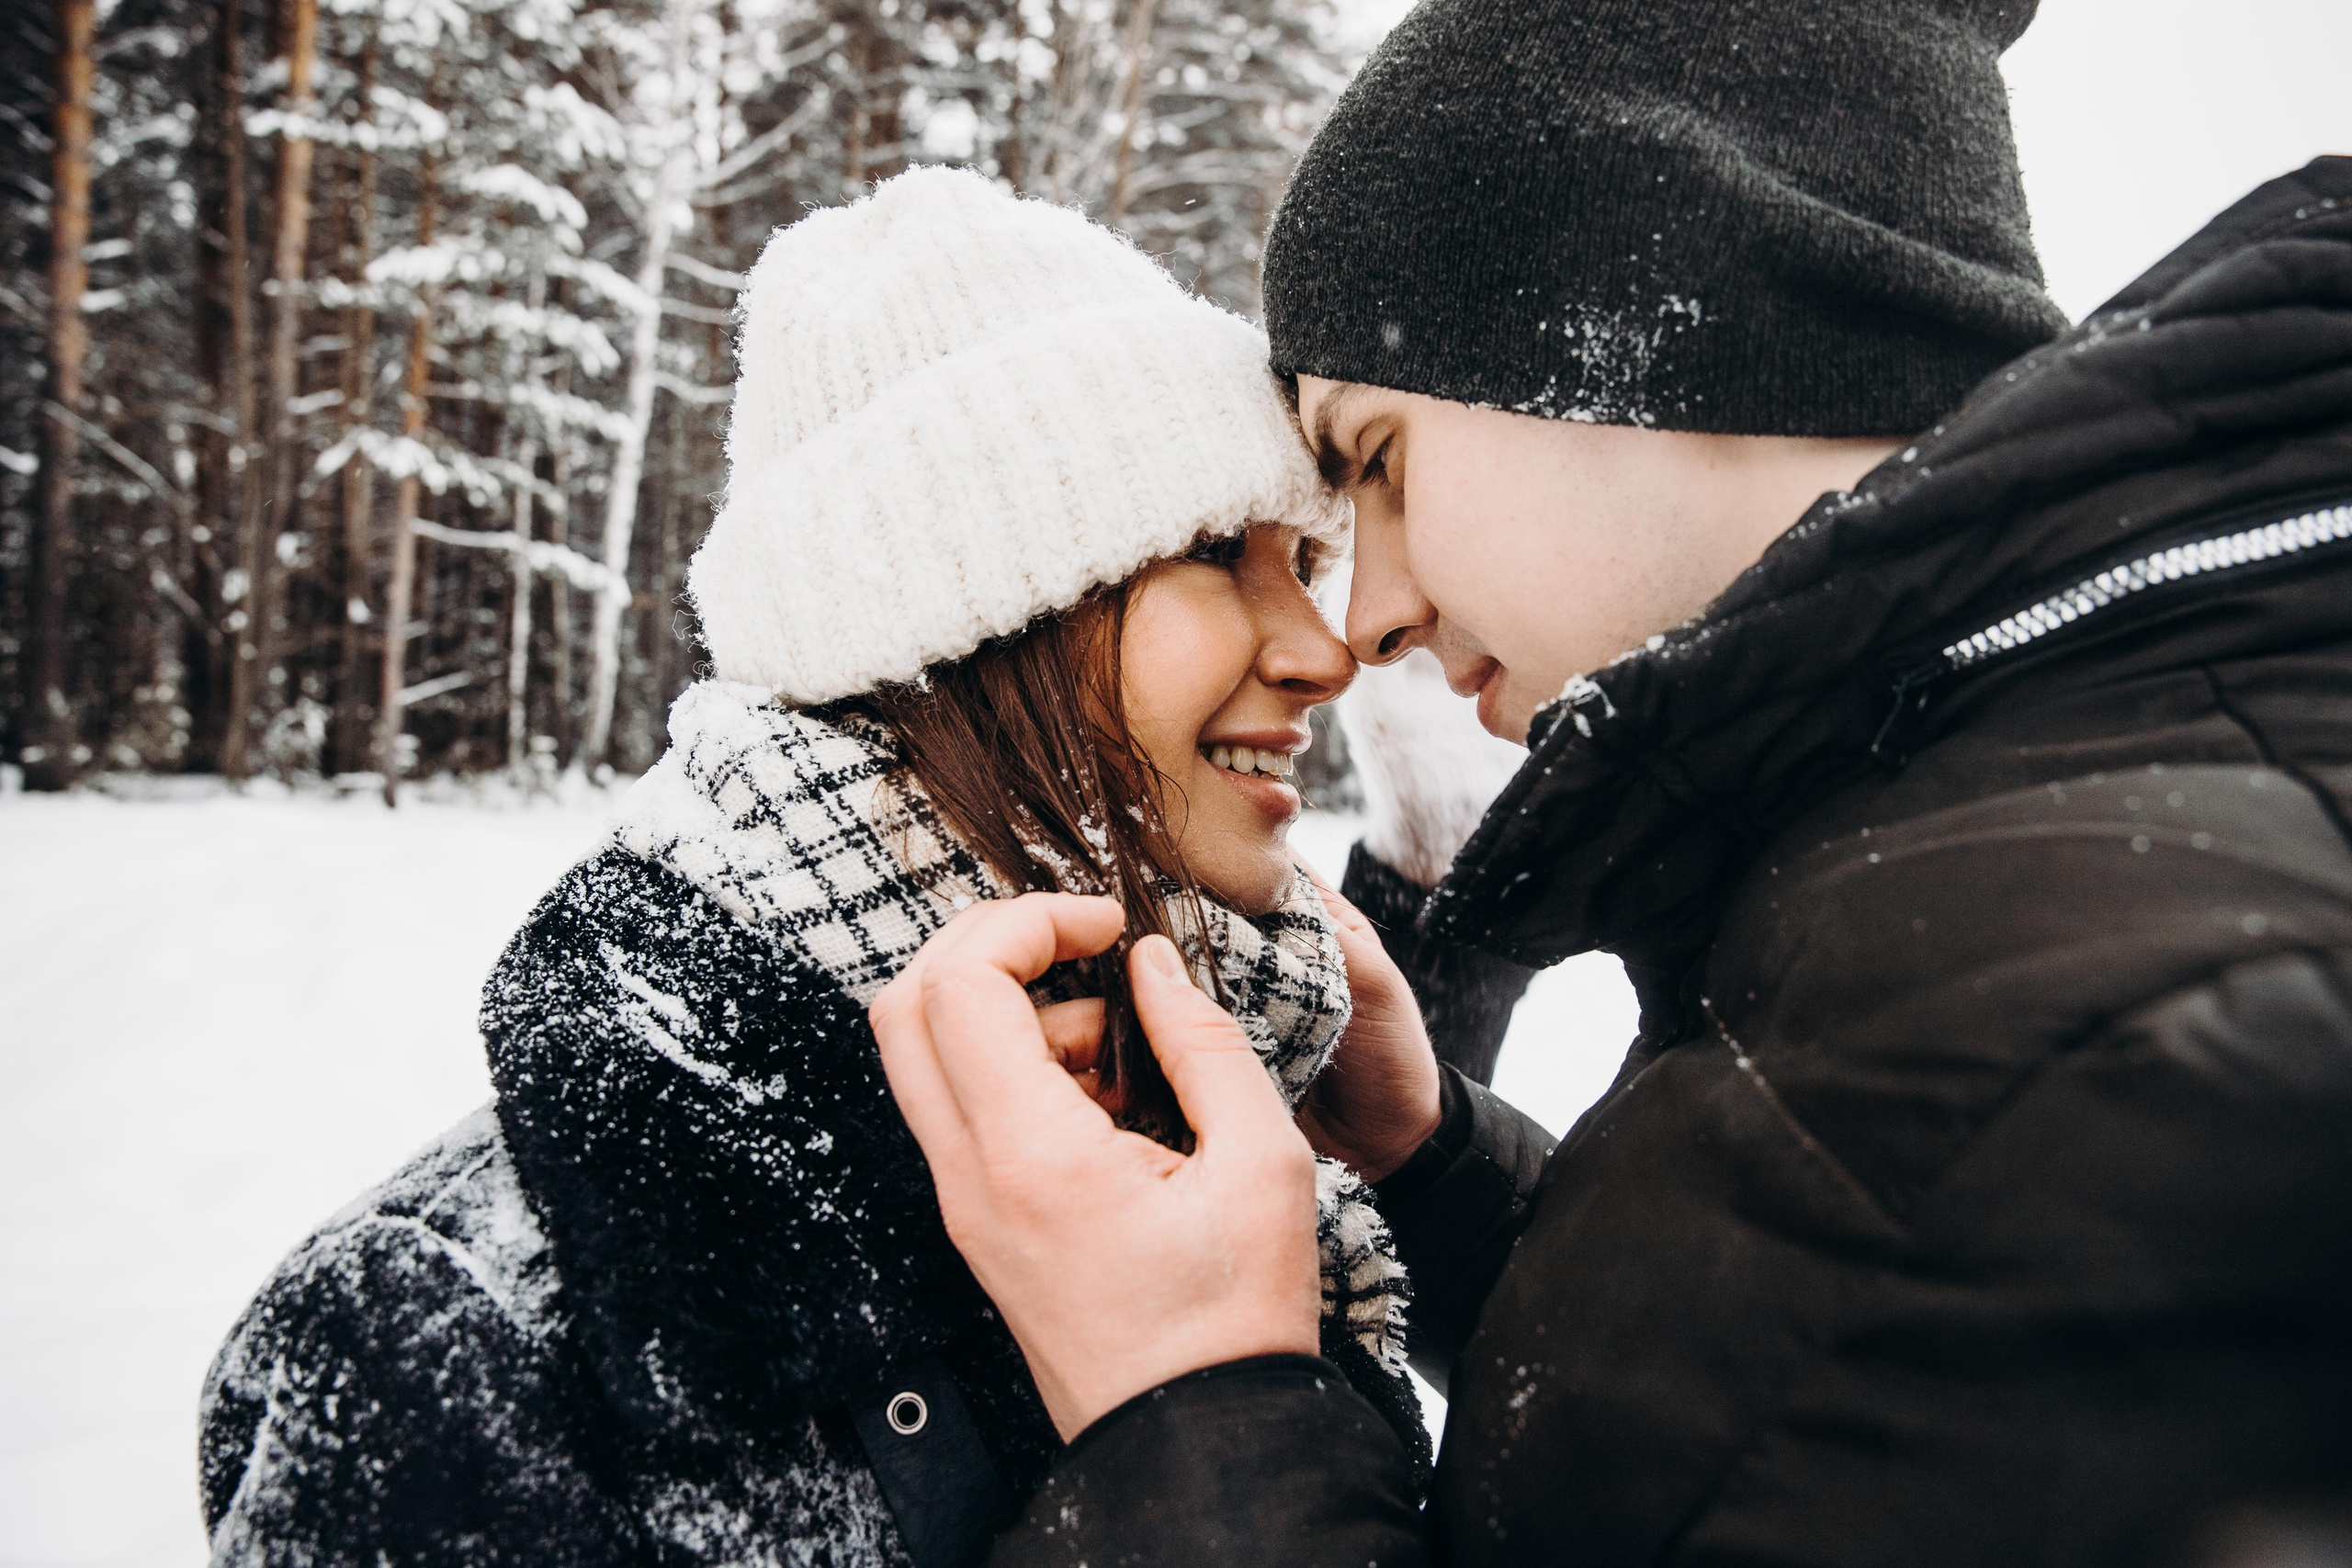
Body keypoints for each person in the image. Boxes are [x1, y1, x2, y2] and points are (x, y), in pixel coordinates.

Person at [867, 1, 2352, 1563]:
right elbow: (1780, 1425)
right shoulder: (1972, 860)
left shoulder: (2148, 1067)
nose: (1363, 618)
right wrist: (1439, 1176)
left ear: (1669, 322)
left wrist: (1192, 1419)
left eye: (1374, 457)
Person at [197, 165, 1428, 1568]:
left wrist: (1435, 1169)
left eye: (1302, 557)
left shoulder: (1241, 1150)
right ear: (965, 618)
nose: (1323, 649)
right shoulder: (451, 1331)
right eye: (1218, 552)